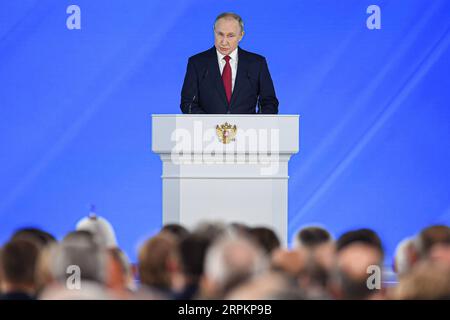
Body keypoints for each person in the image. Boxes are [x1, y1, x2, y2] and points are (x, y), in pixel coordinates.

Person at [180, 12, 279, 114]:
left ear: (241, 36)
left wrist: (257, 126)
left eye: (230, 36)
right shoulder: (197, 63)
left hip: (248, 129)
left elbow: (269, 102)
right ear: (214, 31)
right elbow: (188, 103)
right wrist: (209, 125)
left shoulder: (257, 63)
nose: (224, 42)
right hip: (208, 129)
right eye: (220, 34)